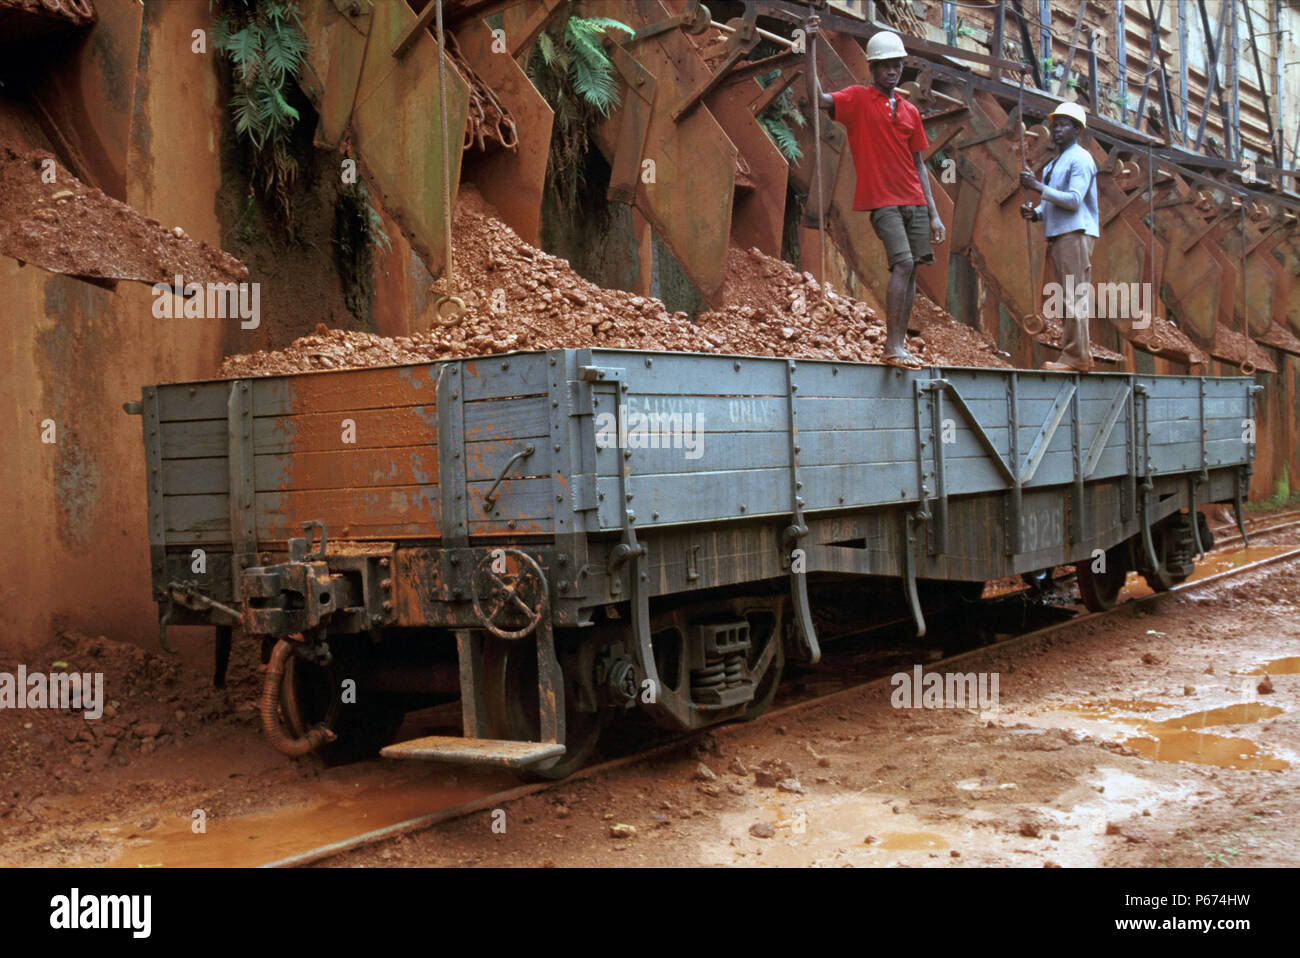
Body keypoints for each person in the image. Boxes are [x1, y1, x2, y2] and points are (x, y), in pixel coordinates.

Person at [805, 19, 945, 368]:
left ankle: (898, 345)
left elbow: (919, 165)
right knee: (904, 263)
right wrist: (809, 46)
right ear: (873, 67)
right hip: (883, 203)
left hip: (914, 200)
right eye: (885, 65)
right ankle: (892, 346)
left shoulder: (911, 111)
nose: (893, 71)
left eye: (897, 65)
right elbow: (817, 98)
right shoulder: (855, 99)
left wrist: (934, 213)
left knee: (913, 271)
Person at [1019, 101, 1099, 372]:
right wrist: (1037, 214)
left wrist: (1037, 186)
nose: (1057, 130)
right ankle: (1078, 355)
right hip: (1061, 234)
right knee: (1068, 296)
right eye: (1055, 125)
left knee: (1073, 297)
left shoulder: (1080, 159)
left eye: (1064, 125)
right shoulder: (1058, 161)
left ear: (1078, 130)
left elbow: (1074, 200)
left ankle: (1076, 357)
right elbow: (1054, 201)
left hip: (1074, 234)